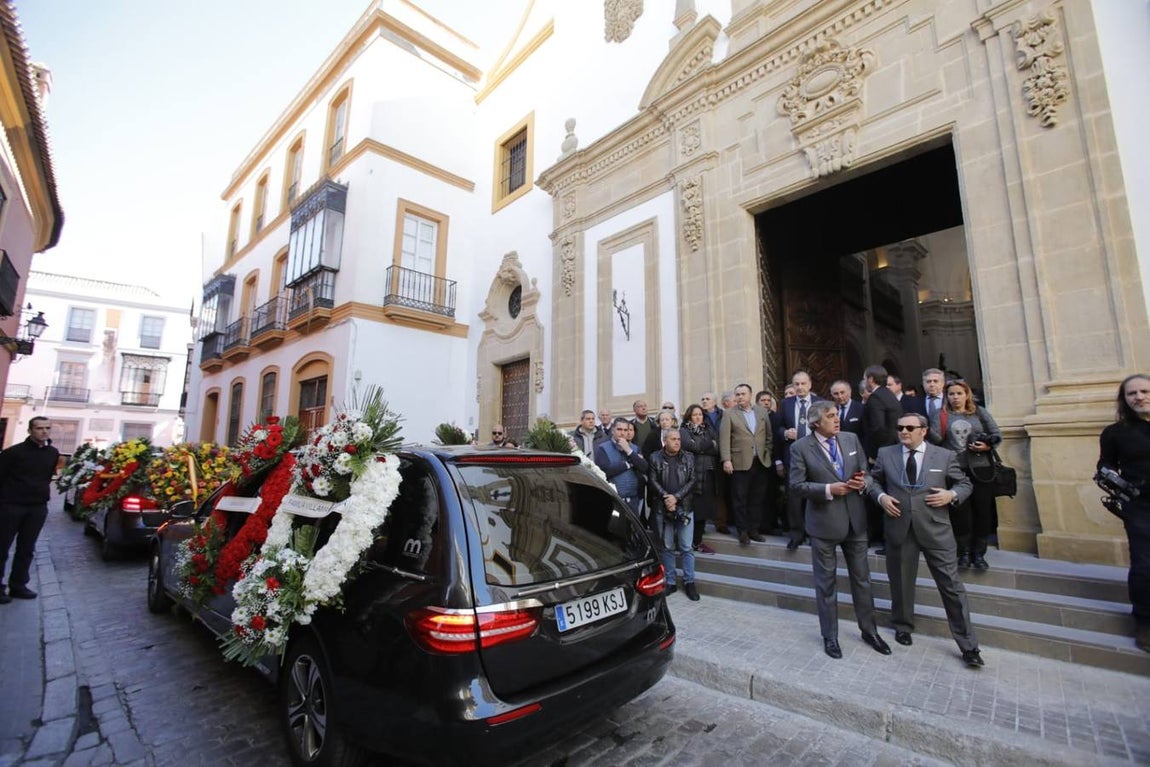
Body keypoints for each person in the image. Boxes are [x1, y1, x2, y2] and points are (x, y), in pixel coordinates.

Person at [870, 413, 984, 668]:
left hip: (936, 529)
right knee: (900, 581)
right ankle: (902, 625)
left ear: (923, 430)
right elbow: (873, 480)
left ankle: (968, 645)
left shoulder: (943, 456)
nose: (904, 431)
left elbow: (965, 483)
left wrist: (951, 494)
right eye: (900, 427)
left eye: (910, 427)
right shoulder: (886, 454)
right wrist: (881, 498)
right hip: (900, 527)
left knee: (951, 587)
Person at [788, 402, 889, 659]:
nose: (836, 419)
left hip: (855, 521)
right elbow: (797, 485)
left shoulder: (851, 438)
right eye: (830, 416)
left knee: (863, 580)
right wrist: (828, 490)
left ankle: (869, 631)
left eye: (836, 414)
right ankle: (830, 636)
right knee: (826, 584)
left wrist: (861, 481)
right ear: (815, 423)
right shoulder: (800, 447)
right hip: (823, 524)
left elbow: (866, 473)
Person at [1098, 374, 1150, 652]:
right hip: (1140, 506)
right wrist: (1109, 477)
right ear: (1125, 399)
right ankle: (1145, 622)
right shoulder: (1116, 433)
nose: (1139, 397)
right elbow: (1105, 465)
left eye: (1144, 391)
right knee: (1144, 565)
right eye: (1132, 394)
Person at [929, 379, 1002, 570]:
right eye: (951, 394)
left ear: (966, 394)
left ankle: (979, 553)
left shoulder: (978, 411)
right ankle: (963, 552)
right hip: (956, 469)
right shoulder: (941, 414)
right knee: (960, 512)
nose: (955, 397)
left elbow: (996, 433)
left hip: (981, 469)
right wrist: (931, 424)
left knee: (982, 511)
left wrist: (987, 444)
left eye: (959, 393)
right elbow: (935, 440)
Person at [0, 417, 59, 603]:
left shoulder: (52, 453)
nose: (44, 432)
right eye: (39, 428)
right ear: (30, 430)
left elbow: (48, 476)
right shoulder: (12, 453)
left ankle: (18, 584)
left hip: (37, 507)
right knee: (2, 547)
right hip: (11, 505)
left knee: (26, 548)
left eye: (47, 428)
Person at [648, 429, 700, 600]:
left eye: (678, 439)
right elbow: (652, 480)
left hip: (684, 507)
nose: (677, 442)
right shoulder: (655, 457)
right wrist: (666, 498)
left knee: (686, 547)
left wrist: (676, 498)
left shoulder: (689, 457)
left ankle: (689, 582)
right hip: (663, 509)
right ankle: (670, 582)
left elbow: (693, 480)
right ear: (665, 441)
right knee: (667, 547)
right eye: (673, 439)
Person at [719, 383, 772, 546]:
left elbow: (769, 436)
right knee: (740, 499)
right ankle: (742, 531)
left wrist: (767, 453)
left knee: (757, 498)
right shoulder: (729, 414)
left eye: (743, 394)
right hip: (739, 463)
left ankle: (754, 529)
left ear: (750, 395)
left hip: (760, 462)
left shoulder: (762, 412)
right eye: (737, 394)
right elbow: (724, 438)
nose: (740, 397)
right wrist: (726, 459)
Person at [777, 371, 823, 550]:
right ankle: (796, 534)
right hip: (793, 457)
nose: (800, 387)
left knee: (815, 495)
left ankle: (815, 533)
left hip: (817, 455)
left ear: (810, 384)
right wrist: (785, 433)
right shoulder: (786, 404)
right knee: (794, 497)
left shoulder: (820, 403)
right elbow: (778, 428)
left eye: (803, 383)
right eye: (796, 384)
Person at [863, 365, 902, 552]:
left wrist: (873, 455)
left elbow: (877, 428)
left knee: (881, 494)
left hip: (883, 453)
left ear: (871, 379)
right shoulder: (890, 395)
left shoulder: (876, 398)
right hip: (894, 450)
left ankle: (885, 539)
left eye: (865, 378)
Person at [680, 404, 718, 554]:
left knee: (703, 510)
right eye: (694, 415)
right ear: (689, 416)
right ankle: (688, 541)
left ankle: (697, 541)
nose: (698, 417)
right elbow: (691, 446)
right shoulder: (684, 430)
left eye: (700, 414)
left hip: (707, 474)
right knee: (691, 509)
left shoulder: (708, 429)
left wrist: (701, 445)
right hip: (691, 475)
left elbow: (716, 449)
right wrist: (708, 444)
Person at [595, 417, 649, 518]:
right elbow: (604, 471)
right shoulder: (602, 448)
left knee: (634, 532)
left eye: (625, 430)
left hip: (633, 499)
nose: (622, 433)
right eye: (619, 429)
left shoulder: (634, 448)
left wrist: (629, 451)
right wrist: (629, 463)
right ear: (613, 430)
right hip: (614, 500)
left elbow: (644, 467)